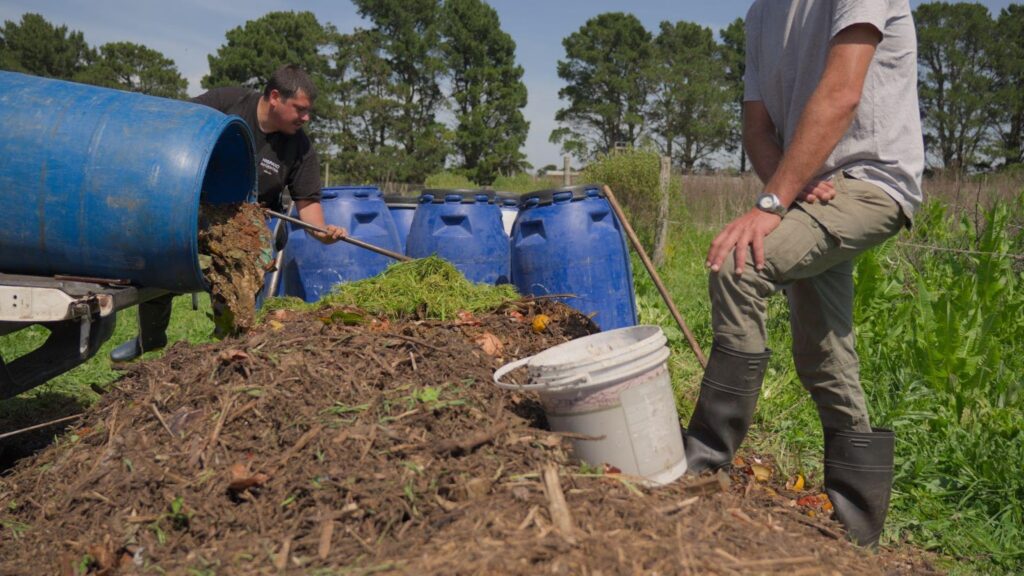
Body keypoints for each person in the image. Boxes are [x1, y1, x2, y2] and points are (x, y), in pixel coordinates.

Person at [682, 0, 923, 548]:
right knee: (822, 349)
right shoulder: (761, 13)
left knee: (741, 265)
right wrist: (786, 182)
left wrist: (772, 202)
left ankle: (703, 462)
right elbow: (757, 126)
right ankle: (857, 526)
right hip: (802, 188)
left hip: (870, 182)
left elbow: (842, 92)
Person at [110, 64, 345, 362]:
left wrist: (322, 233)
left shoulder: (301, 148)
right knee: (161, 255)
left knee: (244, 270)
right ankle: (150, 337)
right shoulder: (227, 103)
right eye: (300, 109)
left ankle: (230, 347)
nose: (306, 118)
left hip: (251, 223)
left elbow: (308, 205)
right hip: (195, 206)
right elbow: (176, 124)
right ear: (275, 97)